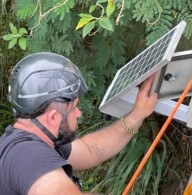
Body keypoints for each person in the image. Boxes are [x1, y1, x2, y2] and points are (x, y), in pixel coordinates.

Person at [0, 52, 158, 195]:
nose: (78, 113)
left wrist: (137, 115)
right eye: (74, 108)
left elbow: (91, 150)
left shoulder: (29, 143)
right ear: (53, 117)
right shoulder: (30, 157)